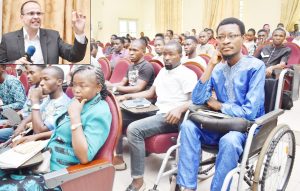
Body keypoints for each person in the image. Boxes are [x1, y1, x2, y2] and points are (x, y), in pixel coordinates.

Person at [176, 17, 266, 191]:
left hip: (244, 129)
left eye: (232, 36)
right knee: (187, 126)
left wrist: (220, 106)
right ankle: (187, 187)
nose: (226, 41)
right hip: (218, 124)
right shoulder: (217, 69)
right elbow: (197, 99)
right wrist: (210, 65)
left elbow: (250, 112)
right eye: (221, 37)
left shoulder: (255, 66)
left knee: (230, 140)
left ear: (243, 38)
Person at [0, 65, 112, 190]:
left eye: (82, 85)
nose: (76, 90)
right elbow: (63, 130)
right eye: (74, 85)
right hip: (46, 159)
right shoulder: (79, 101)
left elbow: (84, 156)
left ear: (98, 87)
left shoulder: (99, 111)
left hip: (61, 176)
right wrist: (36, 137)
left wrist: (75, 117)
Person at [116, 41, 198, 191]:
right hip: (156, 109)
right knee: (118, 115)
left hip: (172, 115)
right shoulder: (163, 71)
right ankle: (117, 157)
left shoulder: (187, 74)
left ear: (180, 55)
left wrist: (179, 109)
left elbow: (194, 101)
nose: (166, 57)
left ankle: (138, 182)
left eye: (171, 54)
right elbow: (150, 93)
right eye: (164, 54)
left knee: (134, 129)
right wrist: (128, 97)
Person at [0, 0, 88, 64]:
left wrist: (79, 33)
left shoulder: (53, 36)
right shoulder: (8, 39)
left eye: (39, 13)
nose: (36, 16)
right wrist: (14, 64)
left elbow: (75, 56)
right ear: (22, 17)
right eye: (31, 13)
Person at [0, 66, 70, 142]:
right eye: (41, 80)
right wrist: (21, 123)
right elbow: (29, 112)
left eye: (46, 79)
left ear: (59, 82)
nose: (42, 83)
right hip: (24, 126)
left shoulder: (63, 104)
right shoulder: (46, 96)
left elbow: (39, 131)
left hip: (42, 141)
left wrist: (35, 101)